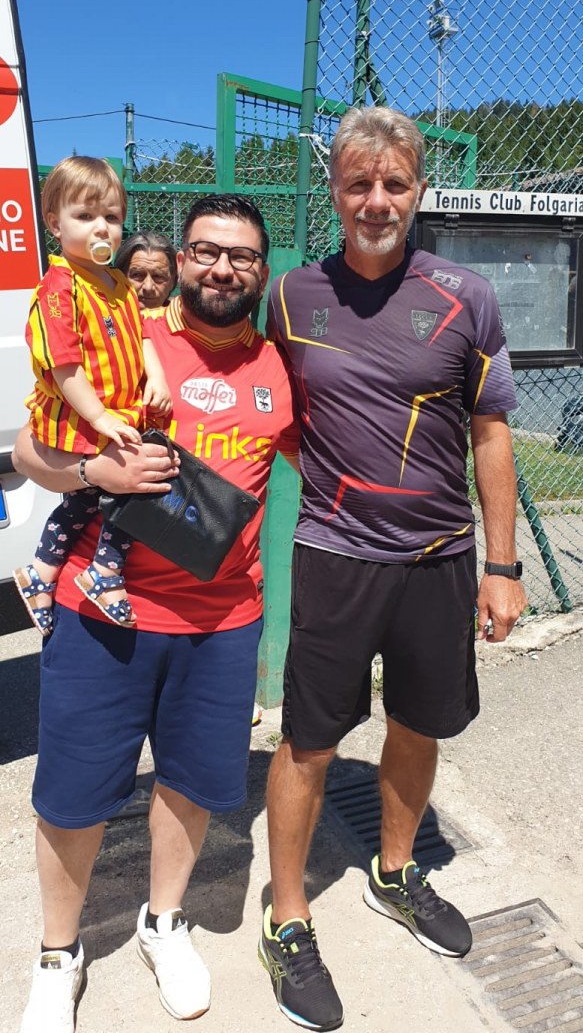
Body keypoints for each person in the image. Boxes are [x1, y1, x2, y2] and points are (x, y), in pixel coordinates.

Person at [260, 106, 528, 1031]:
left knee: (418, 722)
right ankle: (286, 918)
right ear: (333, 191)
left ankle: (394, 871)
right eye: (357, 183)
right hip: (334, 558)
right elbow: (270, 411)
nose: (375, 200)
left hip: (438, 560)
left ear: (418, 191)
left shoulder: (465, 295)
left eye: (394, 184)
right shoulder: (289, 296)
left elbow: (490, 432)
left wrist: (501, 564)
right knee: (309, 742)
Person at [13, 193, 298, 1033]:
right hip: (105, 613)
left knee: (190, 784)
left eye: (241, 257)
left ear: (261, 271)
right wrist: (91, 474)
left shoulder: (279, 367)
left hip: (222, 620)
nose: (222, 269)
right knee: (73, 797)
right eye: (206, 251)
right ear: (180, 259)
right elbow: (28, 448)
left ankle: (162, 921)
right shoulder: (126, 330)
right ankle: (57, 955)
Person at [13, 157, 172, 635]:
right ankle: (102, 571)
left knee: (89, 500)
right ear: (54, 223)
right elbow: (64, 365)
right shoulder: (58, 289)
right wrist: (100, 417)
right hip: (83, 416)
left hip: (118, 411)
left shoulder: (118, 282)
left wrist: (156, 378)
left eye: (112, 216)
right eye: (85, 216)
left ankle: (42, 571)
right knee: (129, 488)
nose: (101, 227)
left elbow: (143, 336)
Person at [115, 228, 178, 309]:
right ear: (120, 277)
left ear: (172, 281)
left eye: (158, 276)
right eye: (137, 275)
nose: (148, 287)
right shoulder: (103, 314)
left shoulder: (183, 316)